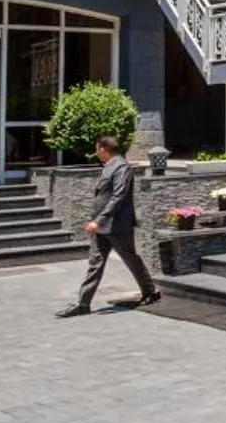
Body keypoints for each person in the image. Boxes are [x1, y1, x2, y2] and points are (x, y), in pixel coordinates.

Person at [57, 135, 160, 318]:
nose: (95, 152)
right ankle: (83, 304)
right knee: (95, 264)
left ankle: (150, 291)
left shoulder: (121, 168)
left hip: (117, 226)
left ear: (103, 148)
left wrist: (99, 220)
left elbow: (118, 197)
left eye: (96, 149)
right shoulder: (108, 167)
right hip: (102, 227)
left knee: (130, 259)